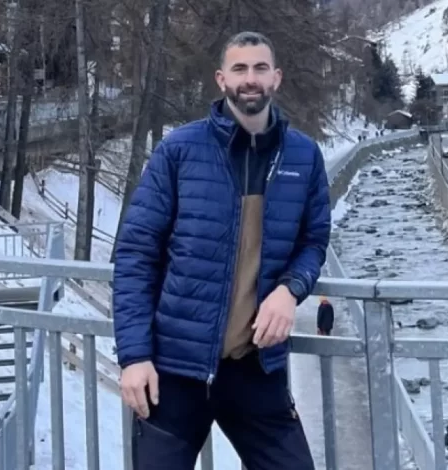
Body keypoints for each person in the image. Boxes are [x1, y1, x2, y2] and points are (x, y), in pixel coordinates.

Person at [113, 31, 329, 470]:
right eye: (239, 68)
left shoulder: (303, 156)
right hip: (175, 368)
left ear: (276, 78)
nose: (250, 79)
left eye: (260, 68)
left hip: (255, 366)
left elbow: (314, 240)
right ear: (221, 79)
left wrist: (290, 290)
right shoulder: (179, 151)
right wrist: (134, 357)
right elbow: (135, 255)